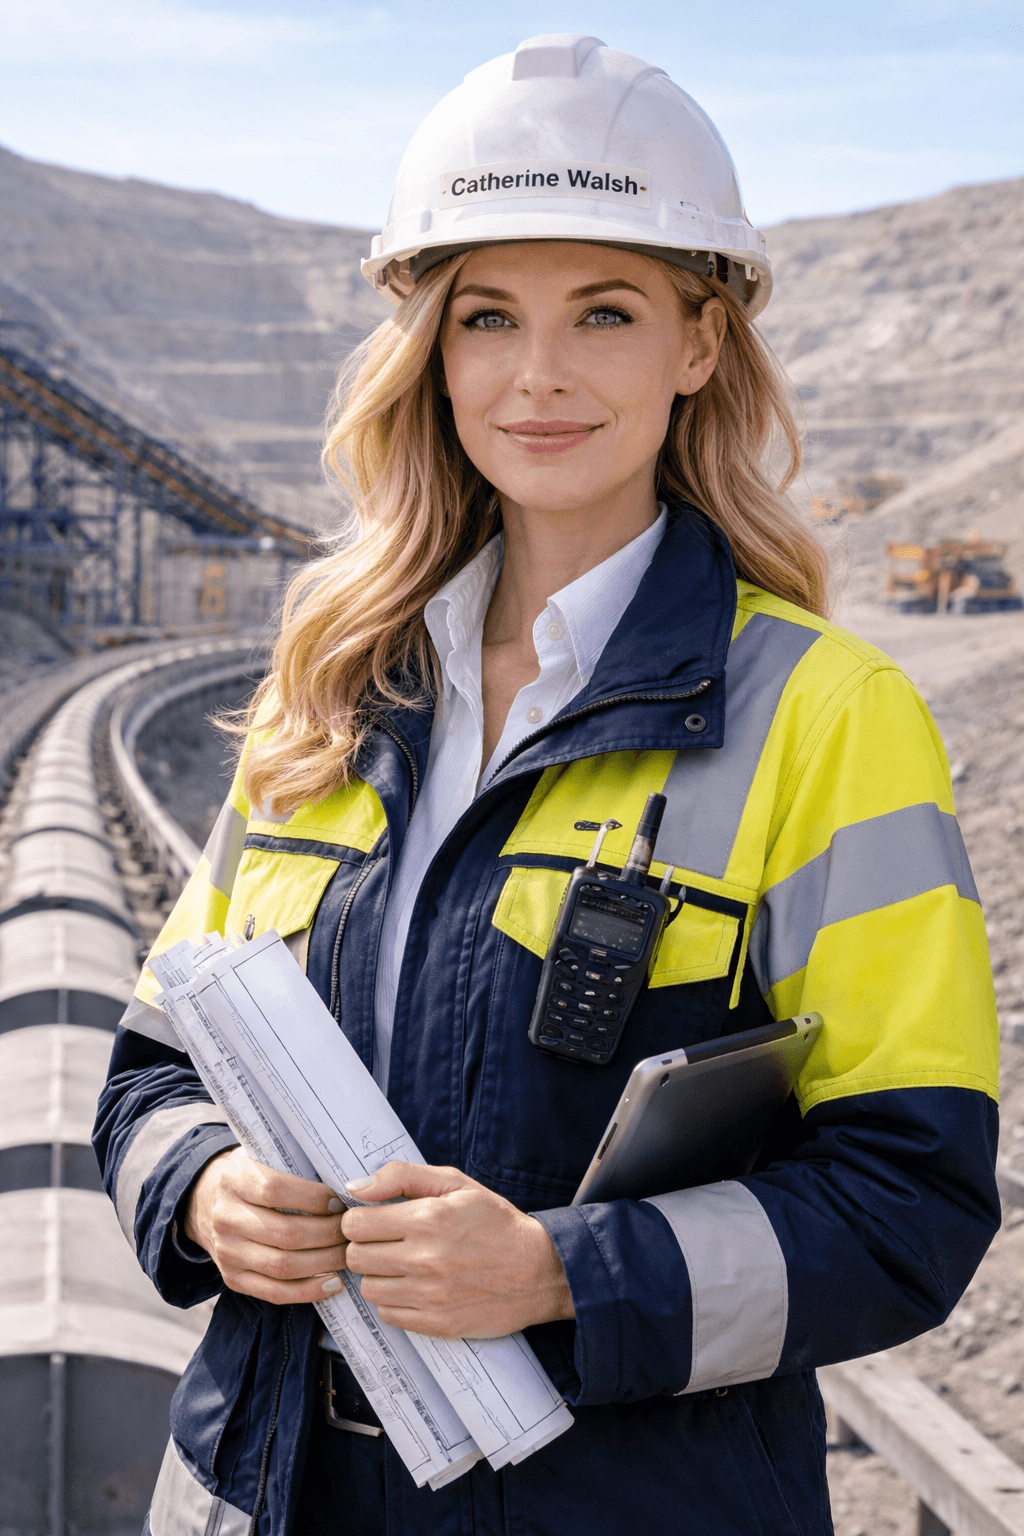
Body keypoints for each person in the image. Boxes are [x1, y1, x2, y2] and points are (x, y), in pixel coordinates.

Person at [95, 33, 1000, 1536]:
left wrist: (564, 1277)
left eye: (606, 312)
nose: (539, 375)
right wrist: (202, 1188)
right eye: (488, 317)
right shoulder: (324, 689)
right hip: (263, 1494)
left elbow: (911, 1201)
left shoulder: (829, 717)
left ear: (700, 344)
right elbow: (145, 1073)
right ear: (431, 350)